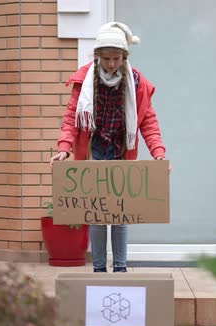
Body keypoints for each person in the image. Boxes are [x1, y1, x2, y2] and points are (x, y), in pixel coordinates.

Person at [49, 22, 167, 273]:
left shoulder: (136, 83)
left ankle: (121, 269)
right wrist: (64, 148)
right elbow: (72, 117)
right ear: (97, 57)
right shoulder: (85, 81)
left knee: (121, 215)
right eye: (106, 59)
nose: (111, 64)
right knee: (98, 215)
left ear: (125, 57)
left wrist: (158, 154)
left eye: (116, 58)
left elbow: (148, 121)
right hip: (95, 151)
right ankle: (99, 270)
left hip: (121, 151)